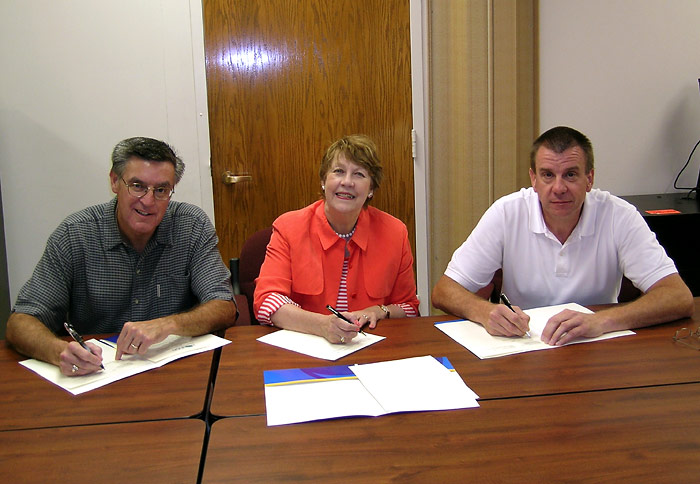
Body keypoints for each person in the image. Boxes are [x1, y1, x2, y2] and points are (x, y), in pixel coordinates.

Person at [432, 126, 694, 345]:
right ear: (533, 179)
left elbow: (678, 297)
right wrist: (485, 312)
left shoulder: (619, 215)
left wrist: (601, 321)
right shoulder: (507, 212)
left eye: (570, 175)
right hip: (523, 347)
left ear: (589, 179)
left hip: (595, 346)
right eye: (548, 175)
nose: (559, 188)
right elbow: (444, 291)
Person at [6, 137, 237, 375]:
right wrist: (58, 351)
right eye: (137, 186)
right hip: (98, 374)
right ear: (115, 182)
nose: (148, 201)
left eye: (161, 190)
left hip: (176, 371)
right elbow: (21, 321)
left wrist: (168, 324)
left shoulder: (191, 226)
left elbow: (223, 305)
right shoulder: (75, 235)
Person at [254, 134, 420, 343]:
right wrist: (322, 325)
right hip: (305, 349)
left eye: (359, 174)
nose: (347, 182)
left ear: (371, 190)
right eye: (338, 171)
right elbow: (266, 303)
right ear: (324, 181)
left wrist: (379, 311)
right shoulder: (288, 228)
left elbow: (409, 308)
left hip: (371, 350)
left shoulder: (395, 233)